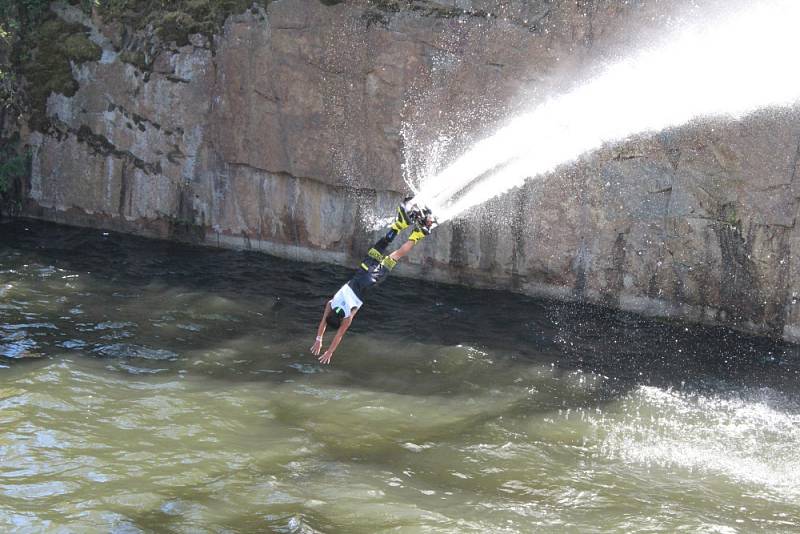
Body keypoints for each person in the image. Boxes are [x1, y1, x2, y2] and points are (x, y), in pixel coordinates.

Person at [310, 200, 435, 364]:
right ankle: (401, 224)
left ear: (339, 320)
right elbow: (323, 322)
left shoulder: (347, 317)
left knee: (396, 255)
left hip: (372, 280)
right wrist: (318, 338)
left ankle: (418, 233)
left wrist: (330, 352)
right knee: (382, 244)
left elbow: (339, 335)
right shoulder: (330, 305)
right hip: (364, 269)